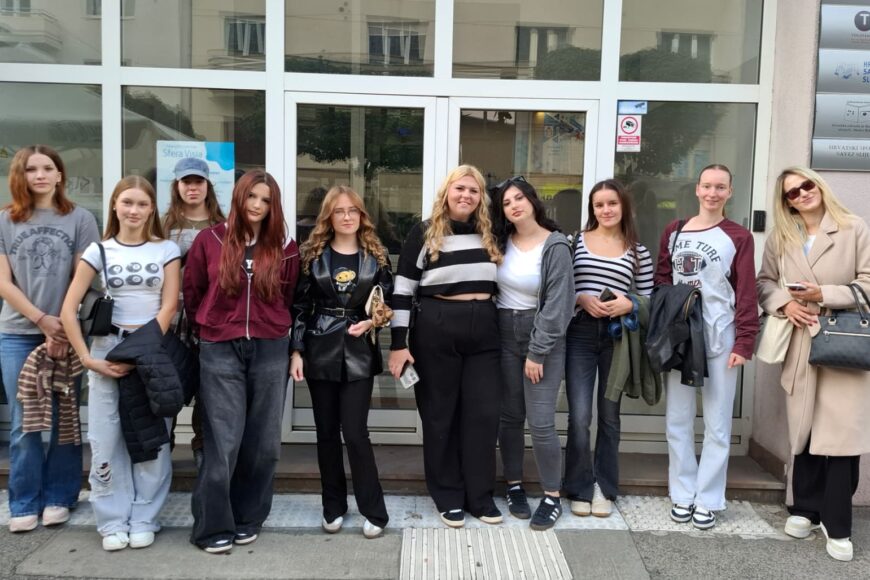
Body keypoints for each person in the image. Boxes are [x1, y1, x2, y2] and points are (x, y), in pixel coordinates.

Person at [60, 175, 180, 551]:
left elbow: (169, 307)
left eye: (142, 204)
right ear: (114, 205)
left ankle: (145, 516)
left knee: (151, 436)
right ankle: (112, 519)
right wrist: (86, 359)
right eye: (127, 202)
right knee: (106, 438)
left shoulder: (166, 250)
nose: (134, 210)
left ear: (152, 209)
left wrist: (141, 351)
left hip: (149, 352)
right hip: (106, 352)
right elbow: (68, 309)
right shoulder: (98, 250)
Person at [757, 167, 870, 562]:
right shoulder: (782, 236)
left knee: (841, 435)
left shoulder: (853, 228)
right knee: (803, 428)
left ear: (819, 186)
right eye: (792, 192)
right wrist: (785, 304)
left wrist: (824, 293)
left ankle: (837, 523)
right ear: (786, 202)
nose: (802, 194)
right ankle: (804, 508)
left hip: (843, 342)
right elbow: (764, 282)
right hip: (800, 341)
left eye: (807, 185)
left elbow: (868, 283)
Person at [183, 169, 299, 554]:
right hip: (219, 346)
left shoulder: (285, 247)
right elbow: (194, 292)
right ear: (239, 197)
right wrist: (210, 328)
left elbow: (289, 298)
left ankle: (249, 516)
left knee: (264, 441)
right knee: (223, 439)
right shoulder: (210, 239)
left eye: (265, 200)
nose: (257, 205)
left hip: (270, 347)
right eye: (252, 196)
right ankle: (212, 525)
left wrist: (279, 333)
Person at [387, 165, 503, 528]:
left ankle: (480, 496)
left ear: (481, 197)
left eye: (473, 190)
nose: (466, 195)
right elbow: (403, 289)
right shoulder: (424, 232)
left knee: (483, 415)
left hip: (484, 329)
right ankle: (448, 495)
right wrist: (398, 343)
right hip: (436, 325)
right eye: (460, 188)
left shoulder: (492, 232)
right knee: (440, 415)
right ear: (447, 192)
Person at [0, 145, 100, 533]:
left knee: (65, 415)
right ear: (20, 176)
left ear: (60, 174)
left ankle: (60, 495)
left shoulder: (80, 219)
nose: (39, 175)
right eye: (31, 169)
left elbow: (82, 279)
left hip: (66, 330)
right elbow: (3, 283)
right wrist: (42, 320)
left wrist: (63, 327)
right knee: (24, 420)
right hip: (18, 333)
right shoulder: (5, 220)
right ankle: (24, 500)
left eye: (47, 168)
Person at [654, 164, 758, 530]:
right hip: (682, 337)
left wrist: (744, 341)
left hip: (719, 334)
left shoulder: (739, 236)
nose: (713, 193)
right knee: (677, 418)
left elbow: (746, 291)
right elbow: (662, 281)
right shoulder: (674, 231)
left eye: (720, 187)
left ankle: (709, 498)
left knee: (717, 422)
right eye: (707, 186)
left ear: (730, 192)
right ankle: (682, 493)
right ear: (697, 189)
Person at [291, 185, 392, 539]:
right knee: (326, 433)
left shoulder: (376, 256)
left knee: (355, 433)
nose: (347, 216)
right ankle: (333, 505)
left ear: (361, 215)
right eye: (339, 211)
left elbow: (388, 304)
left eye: (353, 210)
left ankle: (374, 510)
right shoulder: (312, 255)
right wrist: (296, 351)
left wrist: (373, 322)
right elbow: (299, 307)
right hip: (320, 347)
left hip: (359, 349)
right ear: (328, 217)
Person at [564, 178, 654, 518]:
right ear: (592, 209)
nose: (606, 210)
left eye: (612, 203)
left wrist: (629, 304)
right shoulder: (574, 242)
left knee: (609, 415)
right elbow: (559, 287)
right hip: (580, 334)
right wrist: (581, 298)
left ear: (624, 206)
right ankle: (579, 487)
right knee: (579, 415)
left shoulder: (638, 251)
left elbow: (649, 298)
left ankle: (604, 487)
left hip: (618, 337)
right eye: (599, 205)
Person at [491, 176, 574, 530]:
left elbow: (559, 303)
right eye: (507, 202)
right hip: (503, 333)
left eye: (519, 198)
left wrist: (537, 352)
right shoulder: (500, 241)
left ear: (533, 200)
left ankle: (552, 495)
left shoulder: (555, 245)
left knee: (540, 421)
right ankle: (514, 485)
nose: (514, 205)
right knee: (510, 417)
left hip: (542, 339)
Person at [162, 157, 226, 468]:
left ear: (207, 185)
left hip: (208, 316)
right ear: (177, 185)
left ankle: (202, 447)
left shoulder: (222, 226)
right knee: (169, 382)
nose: (192, 187)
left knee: (207, 385)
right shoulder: (162, 226)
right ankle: (164, 445)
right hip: (170, 317)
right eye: (186, 181)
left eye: (198, 181)